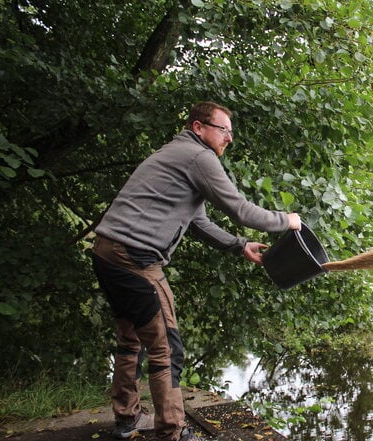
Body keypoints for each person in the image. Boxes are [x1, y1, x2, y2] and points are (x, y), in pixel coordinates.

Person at [92, 101, 301, 441]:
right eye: (223, 130)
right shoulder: (198, 157)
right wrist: (286, 220)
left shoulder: (181, 155)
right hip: (135, 257)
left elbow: (197, 222)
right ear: (198, 127)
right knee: (166, 347)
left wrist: (238, 245)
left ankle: (126, 418)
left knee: (131, 337)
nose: (229, 138)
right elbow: (241, 210)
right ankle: (172, 432)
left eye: (231, 133)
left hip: (107, 252)